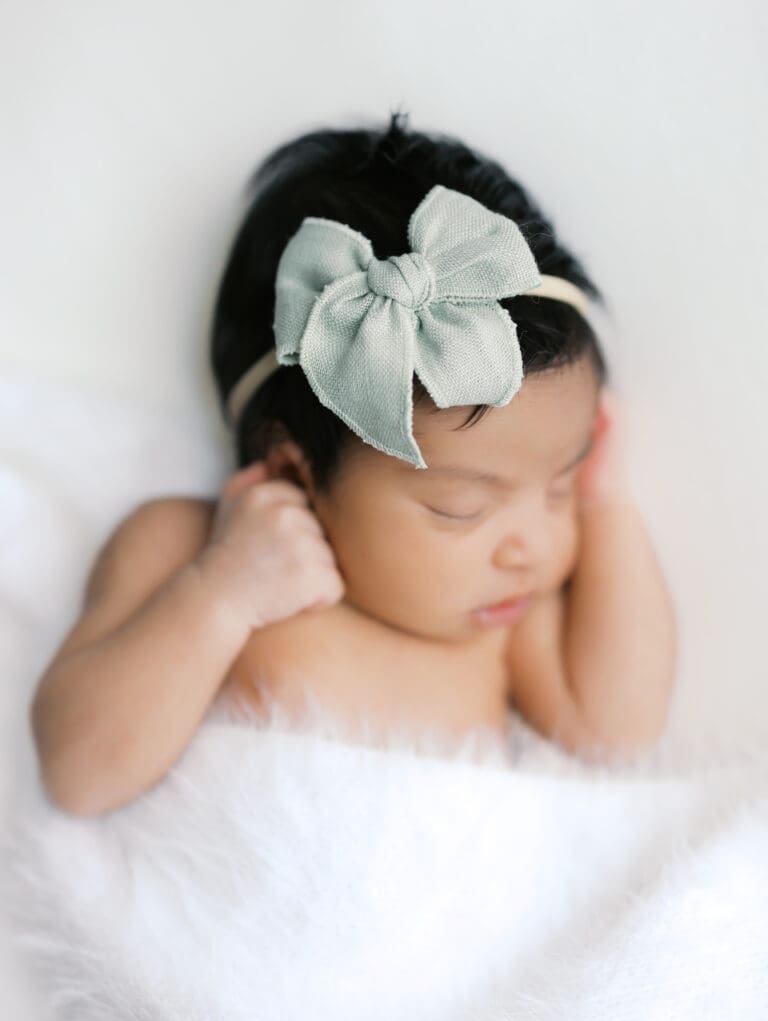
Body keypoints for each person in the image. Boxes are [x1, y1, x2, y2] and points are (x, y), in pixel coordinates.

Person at [29, 111, 677, 817]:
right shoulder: (191, 548)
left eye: (558, 488)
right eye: (462, 508)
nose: (535, 544)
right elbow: (78, 776)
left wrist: (605, 500)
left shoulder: (498, 623)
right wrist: (220, 597)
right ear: (292, 472)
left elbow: (616, 731)